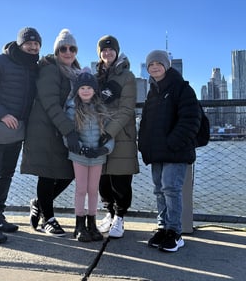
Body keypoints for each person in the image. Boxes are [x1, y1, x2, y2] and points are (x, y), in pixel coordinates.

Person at [0, 27, 42, 243]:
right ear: (20, 44)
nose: (32, 47)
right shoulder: (0, 61)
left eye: (36, 44)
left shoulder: (35, 68)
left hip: (17, 130)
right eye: (28, 43)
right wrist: (2, 114)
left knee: (6, 174)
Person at [138, 50, 201, 252]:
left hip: (176, 151)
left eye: (158, 63)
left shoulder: (182, 88)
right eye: (150, 64)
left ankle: (175, 232)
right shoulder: (152, 92)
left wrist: (173, 142)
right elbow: (146, 123)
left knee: (171, 189)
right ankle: (163, 227)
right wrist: (144, 145)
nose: (154, 67)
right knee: (159, 190)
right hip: (157, 152)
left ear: (167, 65)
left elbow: (191, 119)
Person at [20, 28, 81, 237]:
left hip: (60, 129)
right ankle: (49, 218)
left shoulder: (74, 71)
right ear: (56, 51)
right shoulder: (50, 69)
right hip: (45, 130)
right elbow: (50, 104)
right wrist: (69, 131)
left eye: (72, 48)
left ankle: (39, 203)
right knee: (47, 174)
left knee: (69, 172)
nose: (68, 52)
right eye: (63, 48)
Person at [95, 35, 139, 238]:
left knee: (120, 179)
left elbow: (126, 109)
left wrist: (108, 132)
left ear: (117, 51)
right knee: (102, 178)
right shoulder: (96, 76)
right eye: (104, 50)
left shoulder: (127, 76)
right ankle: (109, 214)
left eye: (111, 49)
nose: (107, 53)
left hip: (121, 134)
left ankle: (120, 218)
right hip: (98, 133)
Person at [64, 67, 114, 242]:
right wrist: (80, 148)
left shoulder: (101, 109)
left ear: (95, 90)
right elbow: (68, 135)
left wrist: (104, 149)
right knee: (81, 189)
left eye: (89, 88)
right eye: (82, 88)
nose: (86, 91)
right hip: (79, 155)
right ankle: (79, 225)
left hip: (98, 156)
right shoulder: (71, 109)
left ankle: (92, 223)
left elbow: (109, 135)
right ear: (77, 90)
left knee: (93, 190)